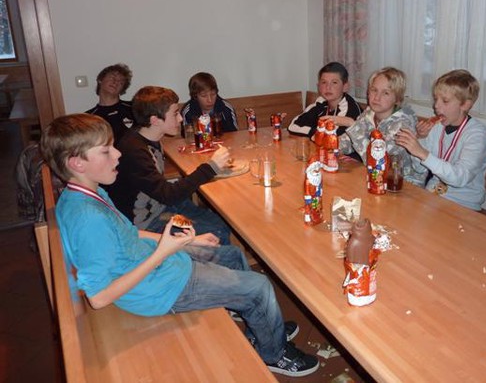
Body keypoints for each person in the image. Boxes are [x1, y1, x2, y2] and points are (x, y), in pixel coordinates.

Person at [39, 113, 319, 377]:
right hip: (158, 290)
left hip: (159, 266)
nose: (118, 154)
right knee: (259, 287)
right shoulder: (88, 218)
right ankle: (274, 353)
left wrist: (186, 241)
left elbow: (128, 234)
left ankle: (261, 323)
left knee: (232, 255)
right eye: (106, 151)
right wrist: (164, 251)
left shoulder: (90, 192)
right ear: (77, 163)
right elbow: (99, 297)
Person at [108, 86, 232, 245]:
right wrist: (211, 167)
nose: (180, 119)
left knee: (221, 225)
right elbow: (168, 195)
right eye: (175, 114)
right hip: (147, 224)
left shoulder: (149, 137)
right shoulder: (134, 151)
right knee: (218, 233)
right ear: (155, 120)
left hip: (162, 206)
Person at [395, 69, 486, 210]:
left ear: (465, 105)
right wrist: (421, 139)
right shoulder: (437, 126)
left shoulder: (477, 135)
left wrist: (422, 152)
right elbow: (419, 169)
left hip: (464, 205)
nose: (436, 106)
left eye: (445, 101)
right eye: (436, 99)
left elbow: (460, 178)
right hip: (432, 195)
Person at [336, 67, 425, 185]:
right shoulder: (369, 113)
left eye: (385, 93)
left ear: (397, 99)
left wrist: (352, 125)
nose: (377, 97)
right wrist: (331, 144)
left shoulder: (402, 126)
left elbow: (378, 165)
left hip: (403, 186)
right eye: (374, 90)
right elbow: (347, 143)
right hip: (375, 179)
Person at [288, 61, 362, 138]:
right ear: (319, 86)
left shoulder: (351, 109)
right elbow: (293, 126)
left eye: (334, 82)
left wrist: (315, 133)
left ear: (345, 87)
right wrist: (315, 132)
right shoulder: (321, 102)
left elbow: (333, 137)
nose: (328, 87)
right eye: (324, 82)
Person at [86, 63, 134, 144]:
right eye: (112, 78)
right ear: (100, 80)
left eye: (121, 81)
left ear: (123, 89)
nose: (115, 82)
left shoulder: (134, 108)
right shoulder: (88, 117)